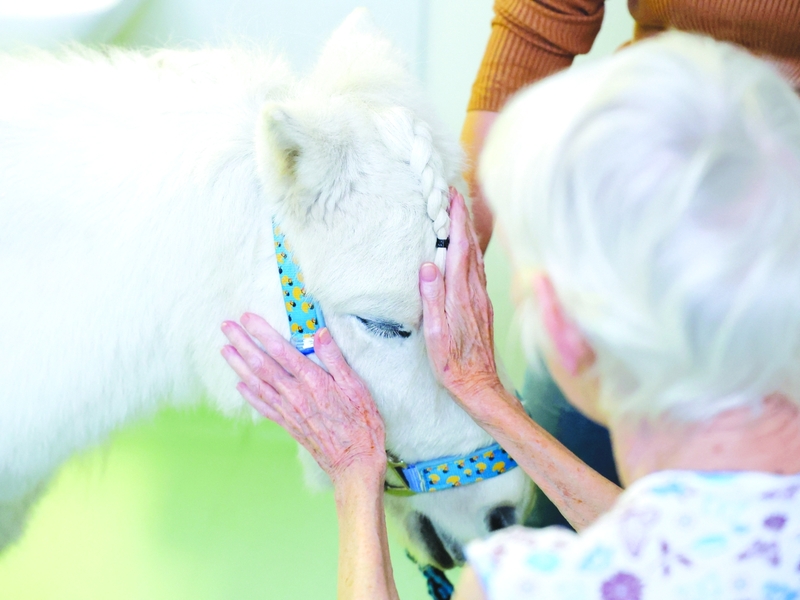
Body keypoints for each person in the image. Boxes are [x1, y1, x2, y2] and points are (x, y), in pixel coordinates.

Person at [221, 33, 800, 599]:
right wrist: (488, 399)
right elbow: (684, 551)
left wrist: (354, 479)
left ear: (567, 337)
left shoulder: (528, 582)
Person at [461, 0, 800, 531]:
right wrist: (448, 274)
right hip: (653, 184)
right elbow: (534, 31)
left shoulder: (516, 576)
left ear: (558, 323)